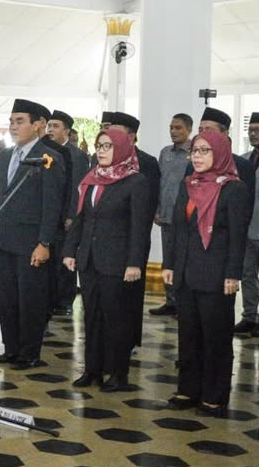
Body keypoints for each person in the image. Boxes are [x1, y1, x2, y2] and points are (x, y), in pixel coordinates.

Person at [162, 130, 247, 418]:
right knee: (188, 335)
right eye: (194, 151)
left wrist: (233, 274)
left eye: (204, 151)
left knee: (216, 338)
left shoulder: (233, 189)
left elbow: (238, 237)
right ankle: (188, 389)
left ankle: (214, 395)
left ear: (220, 153)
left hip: (216, 275)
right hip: (186, 273)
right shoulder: (189, 185)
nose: (197, 156)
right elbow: (177, 229)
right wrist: (170, 264)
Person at [63, 129, 148, 392]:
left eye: (108, 146)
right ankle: (92, 370)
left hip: (117, 262)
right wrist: (70, 250)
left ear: (122, 148)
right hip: (89, 259)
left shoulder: (135, 182)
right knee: (92, 317)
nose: (101, 150)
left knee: (116, 319)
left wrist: (135, 262)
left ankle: (118, 374)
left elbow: (139, 228)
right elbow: (82, 218)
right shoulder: (91, 178)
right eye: (99, 145)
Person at [0, 99, 65, 370]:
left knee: (30, 299)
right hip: (3, 239)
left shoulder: (48, 157)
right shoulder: (4, 155)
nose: (14, 127)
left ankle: (29, 352)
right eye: (11, 121)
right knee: (5, 299)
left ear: (38, 124)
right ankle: (11, 348)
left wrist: (44, 242)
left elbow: (52, 205)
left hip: (31, 243)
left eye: (20, 121)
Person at [105, 111, 161, 350]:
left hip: (133, 238)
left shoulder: (147, 163)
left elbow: (148, 206)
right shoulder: (101, 158)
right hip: (105, 240)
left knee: (131, 292)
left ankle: (130, 339)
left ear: (132, 136)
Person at [45, 110, 91, 317]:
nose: (50, 130)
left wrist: (72, 215)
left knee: (65, 258)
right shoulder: (45, 150)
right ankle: (51, 297)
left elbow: (77, 187)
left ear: (66, 130)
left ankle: (65, 300)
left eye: (55, 126)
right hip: (49, 215)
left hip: (67, 216)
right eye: (49, 126)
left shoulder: (77, 155)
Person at [151, 113, 194, 317]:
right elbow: (159, 183)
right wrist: (157, 210)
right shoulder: (165, 152)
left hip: (186, 218)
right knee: (168, 259)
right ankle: (171, 301)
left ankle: (185, 304)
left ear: (189, 130)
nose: (173, 132)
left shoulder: (194, 152)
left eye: (178, 128)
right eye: (171, 128)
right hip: (166, 216)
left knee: (184, 261)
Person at [240, 113, 259, 334]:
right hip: (246, 229)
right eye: (251, 129)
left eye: (258, 129)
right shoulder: (244, 160)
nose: (253, 133)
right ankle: (249, 317)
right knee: (247, 274)